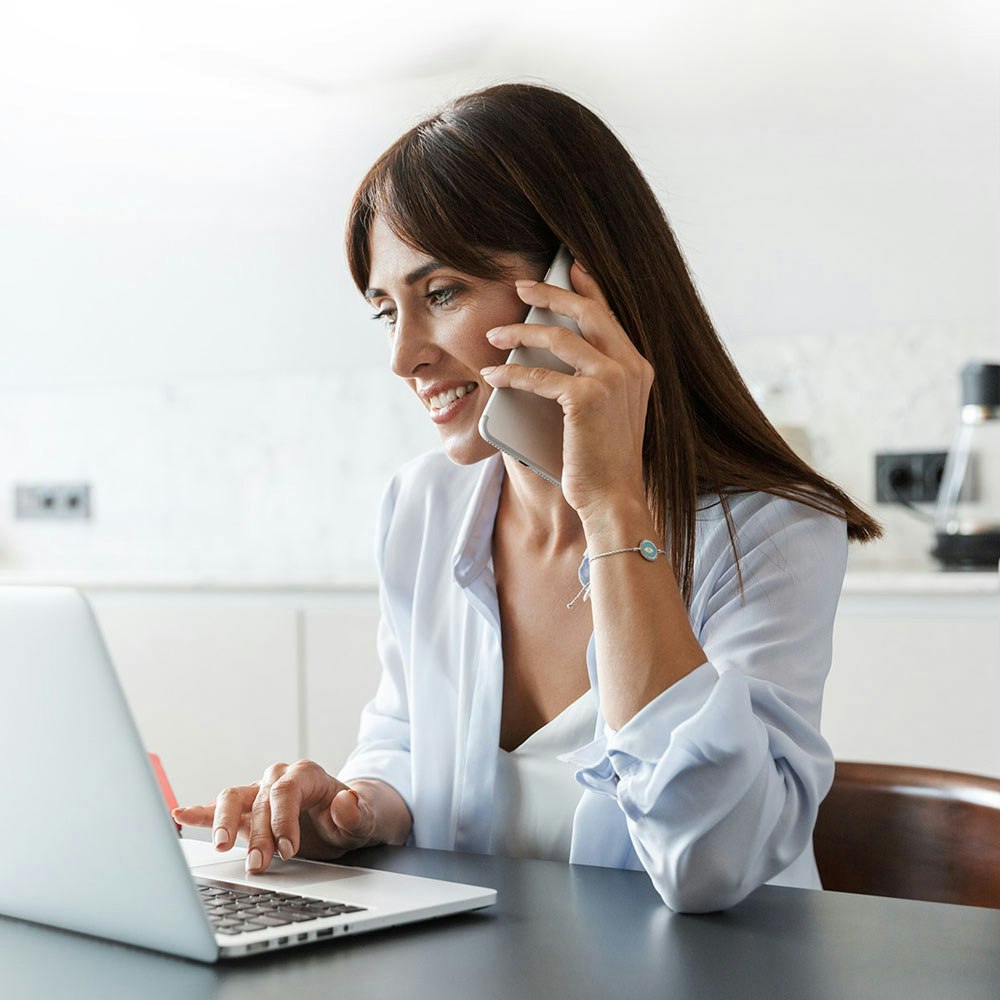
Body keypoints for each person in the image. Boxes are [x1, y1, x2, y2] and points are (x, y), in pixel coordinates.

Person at [173, 82, 881, 913]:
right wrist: (357, 807)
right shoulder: (426, 505)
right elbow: (404, 736)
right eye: (384, 312)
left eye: (441, 295)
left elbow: (712, 862)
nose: (405, 357)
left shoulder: (771, 529)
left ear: (579, 286)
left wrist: (612, 503)